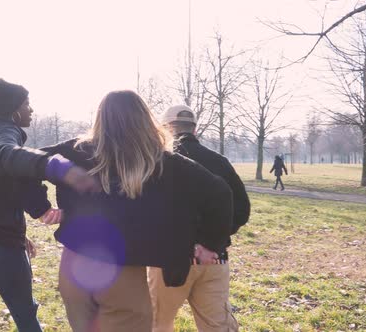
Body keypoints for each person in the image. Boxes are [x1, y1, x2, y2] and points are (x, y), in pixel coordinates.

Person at [41, 91, 233, 332]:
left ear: (100, 118)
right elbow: (221, 193)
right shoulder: (163, 162)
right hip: (123, 271)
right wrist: (209, 243)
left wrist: (40, 206)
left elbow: (25, 163)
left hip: (74, 267)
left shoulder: (75, 151)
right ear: (144, 119)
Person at [0, 78, 100, 332]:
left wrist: (23, 227)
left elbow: (1, 183)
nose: (31, 110)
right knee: (26, 318)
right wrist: (57, 167)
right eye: (27, 104)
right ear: (15, 110)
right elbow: (6, 158)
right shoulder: (6, 133)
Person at [149, 104, 251, 332]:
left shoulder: (156, 162)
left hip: (168, 261)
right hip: (214, 259)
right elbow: (241, 209)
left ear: (165, 128)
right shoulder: (220, 162)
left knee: (157, 324)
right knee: (218, 326)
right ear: (195, 130)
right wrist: (210, 243)